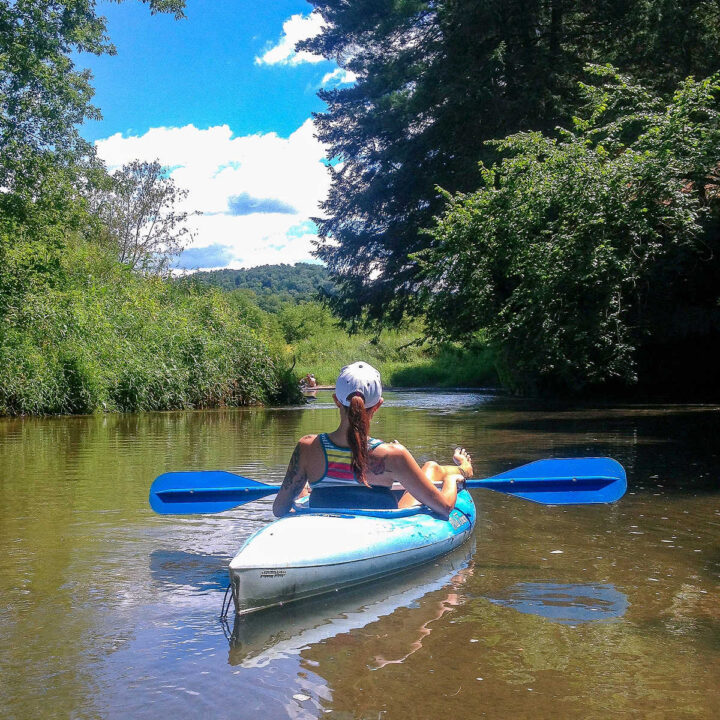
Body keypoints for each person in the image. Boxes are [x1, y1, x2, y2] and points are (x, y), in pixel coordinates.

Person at [273, 361, 473, 518]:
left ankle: (458, 468)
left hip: (327, 521)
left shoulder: (307, 447)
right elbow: (445, 508)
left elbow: (279, 509)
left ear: (335, 400)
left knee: (430, 467)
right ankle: (460, 470)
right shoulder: (393, 454)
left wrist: (304, 494)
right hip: (382, 522)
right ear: (378, 405)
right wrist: (451, 481)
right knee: (429, 468)